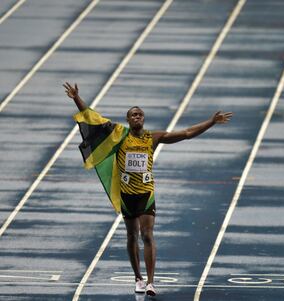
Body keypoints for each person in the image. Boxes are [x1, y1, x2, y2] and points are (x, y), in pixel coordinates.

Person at [63, 82, 232, 296]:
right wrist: (77, 98)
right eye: (133, 115)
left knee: (148, 235)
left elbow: (187, 133)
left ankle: (151, 282)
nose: (137, 117)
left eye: (140, 115)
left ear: (144, 119)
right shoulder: (119, 135)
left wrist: (211, 122)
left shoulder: (153, 138)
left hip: (146, 195)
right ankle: (138, 278)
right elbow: (93, 119)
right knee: (131, 236)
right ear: (127, 119)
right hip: (127, 195)